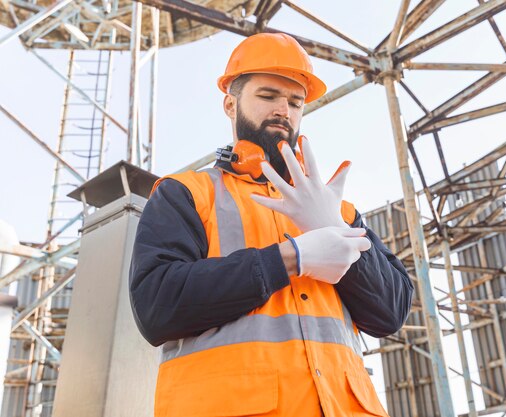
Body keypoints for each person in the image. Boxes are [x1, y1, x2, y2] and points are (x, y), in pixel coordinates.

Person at [129, 32, 414, 417]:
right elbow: (156, 306)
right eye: (268, 96)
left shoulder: (337, 210)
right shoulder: (188, 193)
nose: (284, 109)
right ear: (231, 104)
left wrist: (331, 227)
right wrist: (291, 258)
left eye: (296, 102)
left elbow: (391, 312)